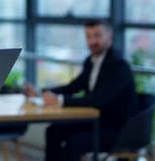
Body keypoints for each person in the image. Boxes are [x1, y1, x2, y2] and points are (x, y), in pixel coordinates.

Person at [24, 19, 138, 161]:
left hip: (117, 129)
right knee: (53, 131)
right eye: (89, 36)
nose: (92, 41)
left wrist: (59, 100)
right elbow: (73, 87)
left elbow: (97, 100)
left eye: (97, 35)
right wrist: (42, 93)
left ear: (109, 36)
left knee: (74, 142)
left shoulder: (118, 65)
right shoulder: (91, 61)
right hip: (95, 121)